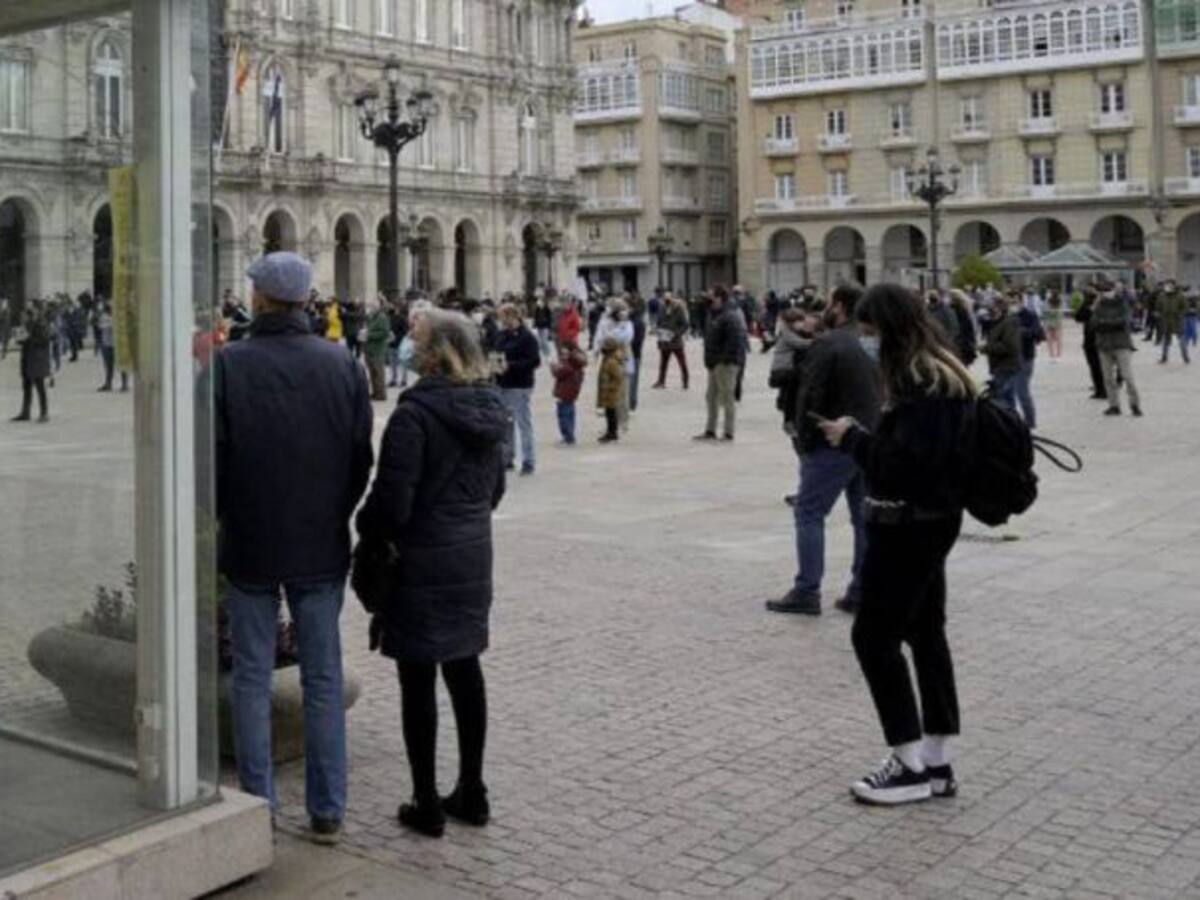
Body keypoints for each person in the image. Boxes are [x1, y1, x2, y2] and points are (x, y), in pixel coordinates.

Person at [215, 252, 374, 845]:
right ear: (306, 299)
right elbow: (361, 458)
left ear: (259, 299)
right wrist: (333, 511)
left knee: (253, 677)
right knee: (323, 676)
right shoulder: (342, 364)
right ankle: (328, 807)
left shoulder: (231, 364)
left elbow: (213, 459)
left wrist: (230, 516)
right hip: (320, 544)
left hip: (252, 542)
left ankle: (260, 802)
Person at [816, 283, 976, 806]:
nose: (865, 340)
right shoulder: (945, 369)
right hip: (934, 519)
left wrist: (854, 438)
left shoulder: (919, 381)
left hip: (908, 524)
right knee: (927, 632)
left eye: (869, 331)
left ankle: (907, 761)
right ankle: (937, 759)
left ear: (888, 328)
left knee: (874, 636)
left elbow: (902, 466)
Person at [355, 310, 507, 838]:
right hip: (471, 555)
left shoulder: (414, 414)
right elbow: (495, 493)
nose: (406, 346)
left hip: (420, 560)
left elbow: (392, 503)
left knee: (417, 674)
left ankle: (426, 799)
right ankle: (473, 787)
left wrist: (364, 527)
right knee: (466, 667)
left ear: (435, 353)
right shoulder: (492, 409)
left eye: (414, 341)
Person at [767, 283, 879, 616]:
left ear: (841, 307)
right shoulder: (871, 341)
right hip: (868, 438)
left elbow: (810, 395)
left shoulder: (829, 343)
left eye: (829, 302)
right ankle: (861, 589)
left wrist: (804, 438)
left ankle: (807, 590)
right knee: (863, 517)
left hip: (832, 439)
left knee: (809, 512)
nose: (825, 307)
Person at [693, 286, 745, 442]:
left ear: (719, 298)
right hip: (713, 363)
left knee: (727, 397)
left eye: (711, 296)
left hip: (726, 364)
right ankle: (710, 430)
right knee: (711, 397)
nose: (708, 298)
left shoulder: (730, 316)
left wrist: (723, 360)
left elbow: (734, 341)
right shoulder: (712, 314)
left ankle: (728, 432)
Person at [494, 303, 541, 475]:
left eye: (503, 317)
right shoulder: (502, 334)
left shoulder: (527, 337)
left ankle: (528, 460)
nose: (501, 321)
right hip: (502, 382)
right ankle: (507, 457)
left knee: (523, 422)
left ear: (512, 316)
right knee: (506, 422)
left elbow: (535, 361)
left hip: (520, 384)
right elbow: (496, 351)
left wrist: (511, 365)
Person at [1093, 278, 1143, 417]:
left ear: (1113, 290)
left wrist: (1105, 324)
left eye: (1107, 290)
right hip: (1104, 345)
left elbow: (1124, 322)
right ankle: (1114, 405)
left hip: (1121, 344)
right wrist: (1108, 324)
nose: (1105, 293)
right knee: (1108, 378)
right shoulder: (1099, 305)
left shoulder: (1123, 303)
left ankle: (1135, 405)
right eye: (1102, 291)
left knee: (1127, 376)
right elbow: (1094, 324)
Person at [11, 299, 52, 423]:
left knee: (40, 388)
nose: (28, 309)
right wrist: (19, 338)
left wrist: (29, 340)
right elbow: (24, 339)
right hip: (27, 358)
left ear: (37, 309)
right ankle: (25, 412)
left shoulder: (42, 323)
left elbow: (44, 341)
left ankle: (44, 413)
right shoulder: (28, 323)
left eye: (31, 307)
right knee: (26, 386)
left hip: (37, 359)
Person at [981, 292, 1021, 408]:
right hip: (999, 366)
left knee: (1001, 399)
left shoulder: (1009, 323)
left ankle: (1009, 422)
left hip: (1006, 366)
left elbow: (1009, 346)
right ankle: (1013, 422)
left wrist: (986, 348)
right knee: (1007, 398)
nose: (989, 310)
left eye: (992, 307)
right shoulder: (996, 323)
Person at [550, 337, 587, 446]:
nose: (562, 356)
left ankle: (568, 437)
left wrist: (553, 367)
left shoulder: (568, 365)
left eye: (564, 353)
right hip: (572, 393)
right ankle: (570, 436)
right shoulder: (577, 364)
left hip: (565, 393)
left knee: (563, 416)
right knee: (570, 414)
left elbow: (558, 373)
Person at [651, 294, 690, 389]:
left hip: (675, 341)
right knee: (663, 363)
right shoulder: (662, 308)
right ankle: (661, 381)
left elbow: (685, 325)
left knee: (682, 362)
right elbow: (659, 322)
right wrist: (658, 330)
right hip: (664, 340)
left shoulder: (679, 309)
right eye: (665, 300)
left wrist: (676, 334)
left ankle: (685, 382)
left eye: (668, 300)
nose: (667, 302)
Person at [1075, 291, 1107, 400]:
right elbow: (1078, 317)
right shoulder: (1089, 307)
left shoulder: (1105, 306)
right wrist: (1088, 306)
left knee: (1101, 367)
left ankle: (1105, 390)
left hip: (1102, 342)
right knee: (1093, 366)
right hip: (1089, 342)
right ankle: (1098, 389)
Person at [596, 337, 624, 444]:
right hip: (607, 391)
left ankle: (612, 433)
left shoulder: (612, 361)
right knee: (609, 413)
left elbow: (618, 377)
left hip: (611, 392)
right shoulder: (608, 359)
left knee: (611, 413)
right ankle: (610, 431)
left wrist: (610, 387)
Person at [364, 300, 392, 401]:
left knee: (379, 373)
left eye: (370, 307)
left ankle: (381, 394)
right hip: (369, 348)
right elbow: (369, 329)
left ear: (376, 308)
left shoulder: (382, 318)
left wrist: (369, 335)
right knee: (372, 373)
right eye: (368, 307)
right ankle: (376, 392)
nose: (369, 309)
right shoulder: (371, 317)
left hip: (378, 349)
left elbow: (385, 333)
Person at [1158, 280, 1189, 365]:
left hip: (1177, 321)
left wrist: (1180, 315)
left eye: (1169, 285)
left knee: (1181, 340)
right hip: (1166, 321)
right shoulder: (1162, 296)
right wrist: (1159, 314)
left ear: (1174, 286)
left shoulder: (1180, 296)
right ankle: (1164, 357)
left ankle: (1185, 357)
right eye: (1166, 285)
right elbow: (1158, 307)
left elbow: (1185, 307)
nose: (1167, 287)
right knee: (1165, 341)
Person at [947, 289, 977, 366]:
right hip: (965, 342)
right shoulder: (966, 309)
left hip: (959, 341)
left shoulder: (953, 309)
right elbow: (971, 328)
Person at [532, 293, 554, 361]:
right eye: (539, 301)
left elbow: (550, 318)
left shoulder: (547, 309)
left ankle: (548, 354)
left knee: (544, 341)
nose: (539, 302)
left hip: (545, 327)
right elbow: (535, 317)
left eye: (541, 301)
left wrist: (549, 327)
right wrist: (534, 325)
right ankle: (544, 354)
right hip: (539, 326)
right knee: (540, 342)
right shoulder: (537, 309)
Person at [1043, 291, 1065, 360]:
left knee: (1051, 339)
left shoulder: (1052, 302)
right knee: (1057, 339)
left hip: (1052, 321)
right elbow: (1060, 313)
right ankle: (1057, 354)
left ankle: (1053, 354)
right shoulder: (1059, 302)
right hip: (1055, 322)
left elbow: (1046, 313)